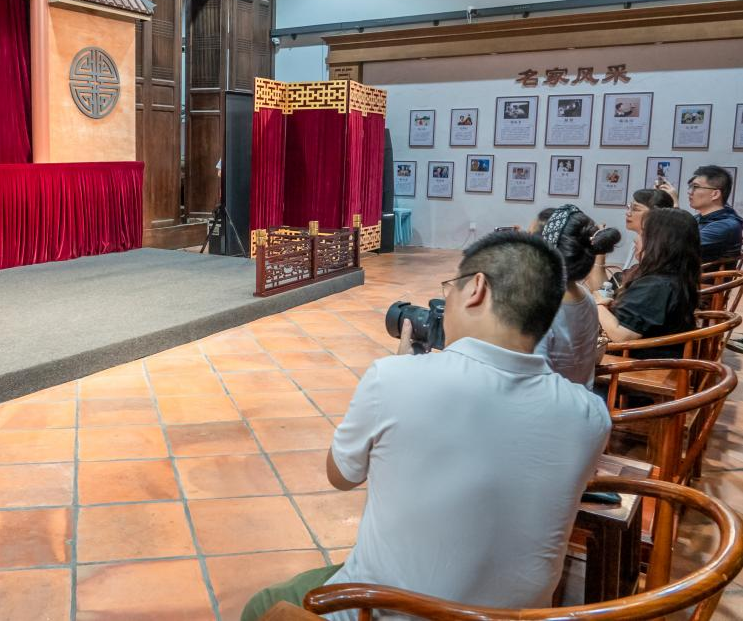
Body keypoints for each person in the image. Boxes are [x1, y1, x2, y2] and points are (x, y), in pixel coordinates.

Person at [241, 232, 612, 621]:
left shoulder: (393, 379)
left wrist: (402, 370)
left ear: (476, 289)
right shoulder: (590, 416)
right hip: (514, 616)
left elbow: (341, 475)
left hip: (386, 610)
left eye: (449, 289)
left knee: (264, 605)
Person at [530, 206, 620, 389]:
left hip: (551, 403)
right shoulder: (586, 298)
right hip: (581, 397)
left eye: (529, 239)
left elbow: (534, 381)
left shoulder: (541, 308)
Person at [594, 208, 700, 358]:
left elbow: (621, 335)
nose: (635, 240)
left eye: (642, 234)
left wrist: (597, 304)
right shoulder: (673, 276)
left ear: (661, 243)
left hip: (640, 364)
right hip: (652, 357)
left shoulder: (657, 285)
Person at [585, 188, 673, 292]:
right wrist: (601, 249)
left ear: (656, 214)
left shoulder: (659, 261)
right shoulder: (640, 258)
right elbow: (602, 291)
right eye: (629, 207)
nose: (628, 213)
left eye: (635, 209)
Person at [656, 165, 742, 263]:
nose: (689, 192)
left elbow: (678, 247)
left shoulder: (726, 225)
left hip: (695, 273)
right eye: (690, 187)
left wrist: (674, 205)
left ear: (715, 194)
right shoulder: (698, 218)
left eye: (695, 187)